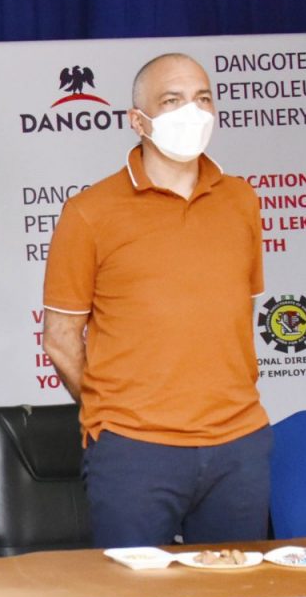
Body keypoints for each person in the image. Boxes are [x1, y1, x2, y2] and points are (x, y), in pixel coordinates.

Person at [41, 53, 271, 548]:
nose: (193, 111)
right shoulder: (89, 213)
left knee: (234, 593)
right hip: (135, 450)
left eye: (203, 98)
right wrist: (113, 413)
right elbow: (60, 338)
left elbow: (239, 310)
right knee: (136, 594)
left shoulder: (241, 200)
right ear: (137, 120)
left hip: (238, 445)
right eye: (172, 100)